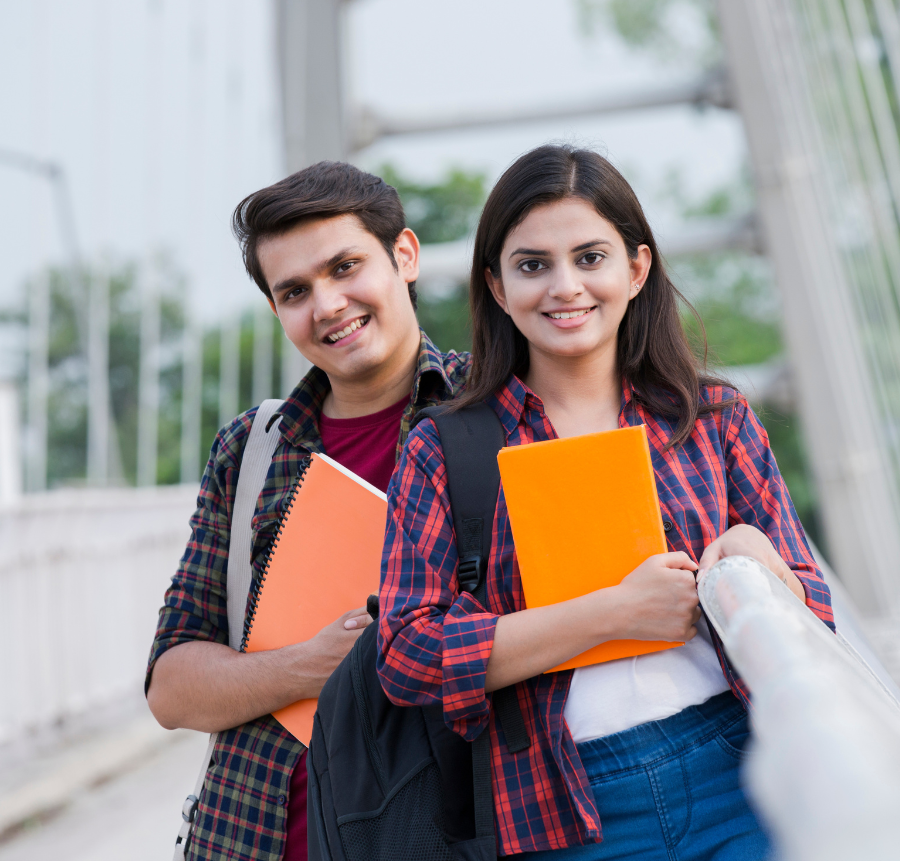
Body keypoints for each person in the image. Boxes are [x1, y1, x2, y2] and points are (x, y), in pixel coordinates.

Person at [377, 145, 835, 859]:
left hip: (739, 768)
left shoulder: (713, 420)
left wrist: (758, 563)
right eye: (533, 265)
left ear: (636, 268)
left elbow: (814, 609)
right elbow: (408, 653)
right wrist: (610, 616)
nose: (565, 287)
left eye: (590, 257)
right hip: (562, 804)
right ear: (497, 287)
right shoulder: (444, 450)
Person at [145, 161, 470, 861]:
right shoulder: (252, 448)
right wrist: (308, 666)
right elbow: (172, 687)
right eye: (295, 291)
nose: (327, 305)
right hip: (254, 839)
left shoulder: (498, 412)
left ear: (404, 256)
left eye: (346, 266)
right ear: (277, 311)